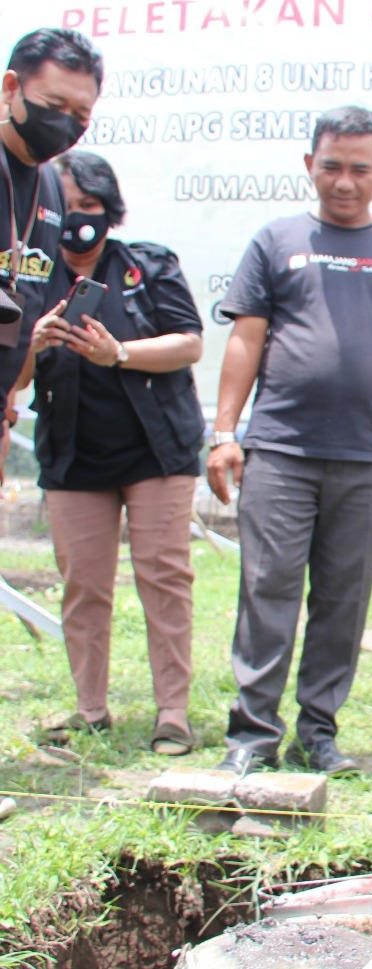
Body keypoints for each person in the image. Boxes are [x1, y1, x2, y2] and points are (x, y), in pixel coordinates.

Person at [207, 105, 372, 778]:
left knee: (344, 599)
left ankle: (318, 732)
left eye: (359, 168)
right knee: (268, 589)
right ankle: (253, 735)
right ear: (310, 165)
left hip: (371, 456)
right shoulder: (276, 239)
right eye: (331, 165)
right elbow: (246, 336)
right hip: (280, 448)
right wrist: (226, 433)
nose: (344, 181)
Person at [22, 150, 204, 754]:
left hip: (156, 450)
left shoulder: (147, 266)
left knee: (164, 576)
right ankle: (89, 708)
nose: (79, 220)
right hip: (73, 456)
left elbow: (188, 344)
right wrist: (34, 341)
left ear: (110, 209)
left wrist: (118, 353)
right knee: (84, 583)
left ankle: (172, 712)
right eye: (67, 208)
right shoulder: (30, 276)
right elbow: (15, 379)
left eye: (91, 208)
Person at [0, 28, 102, 484]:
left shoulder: (52, 189)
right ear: (11, 88)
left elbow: (27, 303)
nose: (66, 123)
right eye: (55, 106)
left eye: (81, 113)